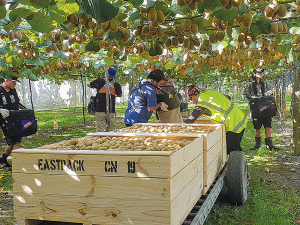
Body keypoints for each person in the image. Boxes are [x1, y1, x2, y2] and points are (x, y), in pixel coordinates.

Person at [185, 85, 248, 155]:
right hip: (239, 118)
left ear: (196, 94)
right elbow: (228, 97)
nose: (190, 101)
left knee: (233, 152)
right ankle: (241, 162)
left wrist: (181, 127)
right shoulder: (209, 92)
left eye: (190, 98)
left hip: (233, 125)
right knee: (235, 149)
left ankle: (240, 164)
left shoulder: (202, 103)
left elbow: (191, 120)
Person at [242, 68, 279, 150]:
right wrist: (252, 97)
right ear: (254, 74)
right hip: (256, 108)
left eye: (261, 72)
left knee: (268, 126)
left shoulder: (265, 84)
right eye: (259, 72)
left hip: (266, 107)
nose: (261, 74)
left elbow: (270, 91)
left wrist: (265, 95)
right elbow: (244, 94)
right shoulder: (250, 85)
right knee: (257, 127)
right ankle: (257, 144)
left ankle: (269, 144)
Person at [0, 76, 25, 169]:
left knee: (13, 142)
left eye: (16, 82)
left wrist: (25, 109)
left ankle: (3, 159)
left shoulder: (13, 90)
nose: (15, 84)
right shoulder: (0, 90)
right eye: (13, 82)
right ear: (6, 80)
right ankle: (18, 165)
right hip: (4, 120)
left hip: (15, 118)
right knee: (16, 142)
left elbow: (17, 103)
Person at [87, 66, 122, 132]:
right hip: (111, 111)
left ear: (107, 73)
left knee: (101, 130)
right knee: (111, 130)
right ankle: (110, 141)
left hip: (100, 110)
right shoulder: (116, 85)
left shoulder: (99, 81)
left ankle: (101, 141)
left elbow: (89, 85)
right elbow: (120, 94)